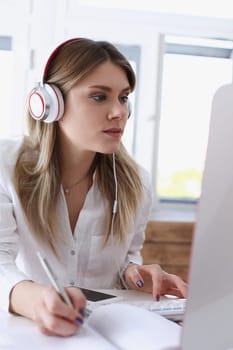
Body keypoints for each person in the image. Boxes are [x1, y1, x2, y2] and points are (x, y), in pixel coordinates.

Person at [0, 37, 187, 337]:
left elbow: (125, 259)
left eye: (124, 98)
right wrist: (39, 301)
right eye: (99, 97)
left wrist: (134, 276)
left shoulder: (136, 182)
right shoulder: (5, 166)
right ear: (49, 104)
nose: (119, 112)